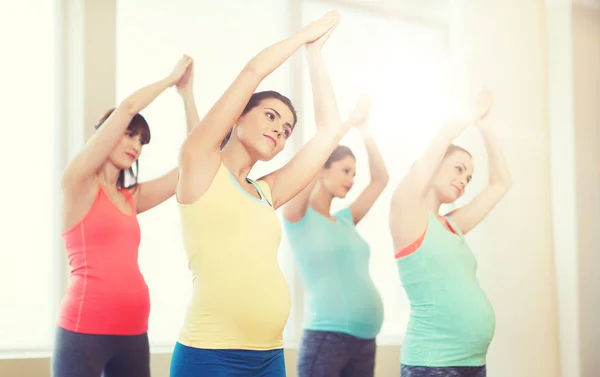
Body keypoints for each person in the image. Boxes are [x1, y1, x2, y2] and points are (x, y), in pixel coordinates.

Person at [169, 11, 370, 377]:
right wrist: (304, 34)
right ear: (238, 117)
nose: (280, 130)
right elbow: (252, 73)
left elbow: (329, 133)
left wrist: (315, 55)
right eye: (272, 116)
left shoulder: (266, 192)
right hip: (210, 356)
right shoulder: (198, 162)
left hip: (268, 358)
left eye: (288, 128)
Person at [53, 55, 196, 377]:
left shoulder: (131, 197)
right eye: (130, 134)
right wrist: (170, 79)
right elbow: (128, 108)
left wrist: (186, 95)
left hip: (133, 330)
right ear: (108, 132)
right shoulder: (77, 184)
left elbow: (193, 164)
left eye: (142, 140)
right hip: (84, 330)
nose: (137, 145)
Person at [282, 36, 389, 377]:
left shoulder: (344, 220)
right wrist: (344, 124)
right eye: (345, 171)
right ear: (323, 170)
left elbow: (380, 179)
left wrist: (365, 129)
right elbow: (317, 153)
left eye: (353, 174)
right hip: (327, 339)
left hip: (365, 339)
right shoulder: (298, 216)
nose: (351, 179)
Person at [390, 89, 512, 377]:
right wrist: (469, 113)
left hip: (472, 362)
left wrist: (486, 127)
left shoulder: (453, 224)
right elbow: (441, 140)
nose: (463, 181)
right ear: (433, 166)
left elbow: (502, 182)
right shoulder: (407, 211)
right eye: (458, 169)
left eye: (468, 177)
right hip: (433, 365)